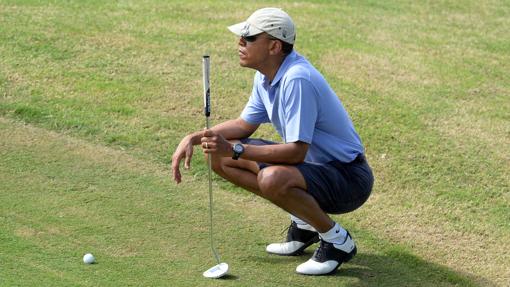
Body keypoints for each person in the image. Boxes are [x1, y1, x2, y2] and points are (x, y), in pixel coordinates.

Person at [171, 7, 374, 276]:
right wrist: (194, 138)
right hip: (315, 170)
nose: (240, 43)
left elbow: (296, 153)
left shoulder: (296, 79)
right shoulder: (265, 76)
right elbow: (244, 125)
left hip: (347, 178)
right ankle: (304, 225)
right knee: (218, 157)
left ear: (274, 46)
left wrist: (234, 149)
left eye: (250, 38)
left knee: (271, 178)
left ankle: (337, 241)